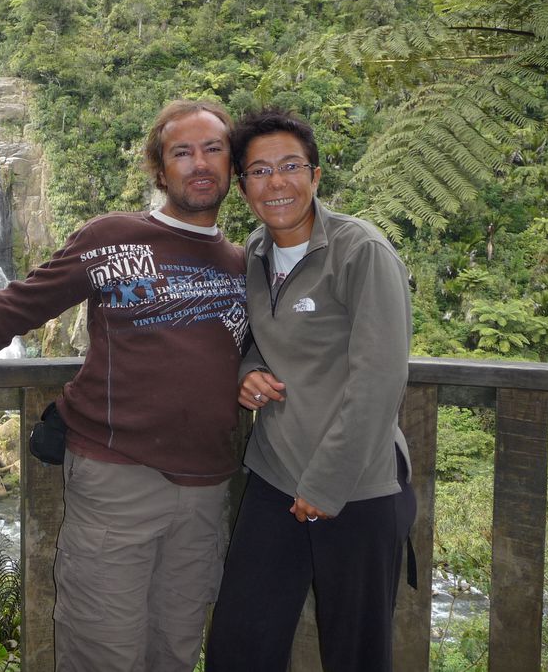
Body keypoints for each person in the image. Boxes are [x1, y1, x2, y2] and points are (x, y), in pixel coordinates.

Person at [0, 99, 249, 672]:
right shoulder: (112, 237)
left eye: (213, 149)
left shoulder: (244, 264)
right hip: (117, 477)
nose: (199, 164)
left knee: (176, 651)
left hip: (207, 489)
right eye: (181, 152)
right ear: (160, 170)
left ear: (232, 166)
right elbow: (19, 305)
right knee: (103, 652)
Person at [205, 108, 416, 672]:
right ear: (243, 186)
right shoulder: (253, 253)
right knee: (238, 647)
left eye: (291, 166)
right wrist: (245, 370)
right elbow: (252, 337)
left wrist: (328, 484)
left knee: (355, 653)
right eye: (259, 171)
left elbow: (380, 378)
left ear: (316, 176)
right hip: (276, 478)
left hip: (358, 488)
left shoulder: (359, 252)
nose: (277, 182)